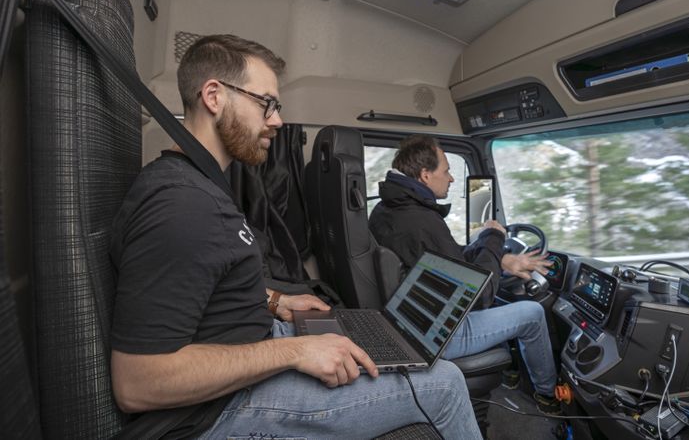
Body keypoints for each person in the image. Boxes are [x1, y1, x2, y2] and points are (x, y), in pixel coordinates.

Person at [109, 34, 481, 439]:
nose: (277, 121)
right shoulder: (181, 204)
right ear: (214, 96)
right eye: (266, 103)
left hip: (249, 345)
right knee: (446, 383)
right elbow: (138, 382)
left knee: (354, 328)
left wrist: (276, 301)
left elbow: (205, 284)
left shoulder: (203, 185)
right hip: (217, 411)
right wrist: (294, 350)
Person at [369, 134, 560, 413]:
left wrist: (500, 258)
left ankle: (510, 375)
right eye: (446, 171)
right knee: (532, 313)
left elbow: (447, 259)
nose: (451, 179)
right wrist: (494, 237)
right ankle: (548, 397)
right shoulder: (422, 220)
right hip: (441, 334)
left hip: (415, 321)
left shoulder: (389, 209)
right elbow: (479, 296)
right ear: (425, 175)